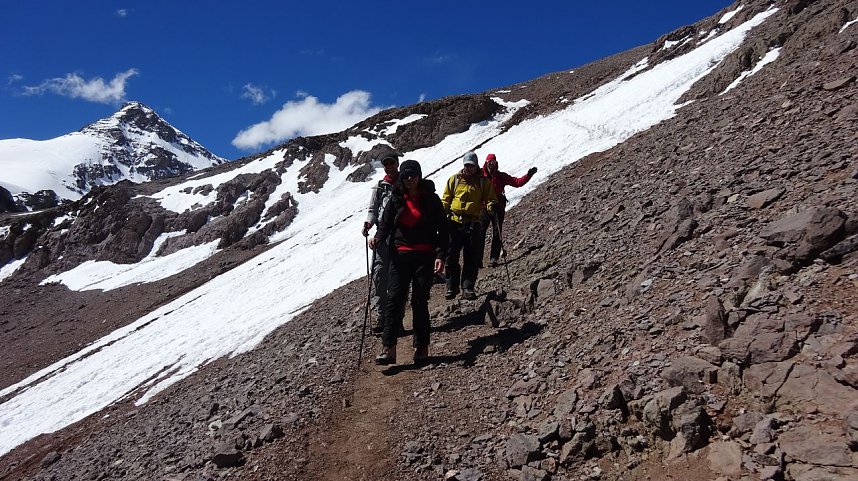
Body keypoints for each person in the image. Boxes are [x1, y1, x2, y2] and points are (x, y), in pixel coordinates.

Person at [369, 160, 448, 365]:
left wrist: (440, 256)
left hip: (425, 256)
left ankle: (422, 346)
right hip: (400, 255)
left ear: (420, 176)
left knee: (419, 301)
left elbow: (443, 230)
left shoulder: (431, 199)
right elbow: (385, 224)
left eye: (413, 175)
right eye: (406, 175)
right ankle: (389, 348)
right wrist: (377, 238)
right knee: (394, 299)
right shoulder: (396, 198)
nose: (410, 179)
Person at [441, 152, 497, 301]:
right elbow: (446, 199)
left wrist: (491, 206)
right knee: (451, 255)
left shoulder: (483, 182)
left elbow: (490, 198)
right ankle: (452, 286)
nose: (469, 168)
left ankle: (467, 287)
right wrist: (440, 215)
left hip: (473, 223)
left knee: (470, 257)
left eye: (471, 165)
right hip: (454, 222)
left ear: (476, 165)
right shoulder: (454, 180)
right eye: (467, 165)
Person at [362, 151, 401, 334]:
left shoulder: (405, 183)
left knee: (397, 280)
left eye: (391, 163)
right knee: (379, 277)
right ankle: (380, 315)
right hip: (382, 237)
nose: (389, 166)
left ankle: (396, 319)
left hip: (401, 237)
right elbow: (373, 209)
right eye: (386, 164)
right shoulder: (379, 187)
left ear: (397, 164)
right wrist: (369, 224)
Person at [478, 153, 537, 267]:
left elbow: (517, 182)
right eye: (489, 162)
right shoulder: (480, 175)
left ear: (496, 163)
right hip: (485, 207)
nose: (491, 164)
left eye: (493, 162)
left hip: (497, 206)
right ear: (486, 163)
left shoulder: (500, 176)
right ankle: (478, 260)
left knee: (497, 232)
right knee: (480, 232)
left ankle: (493, 258)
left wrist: (528, 175)